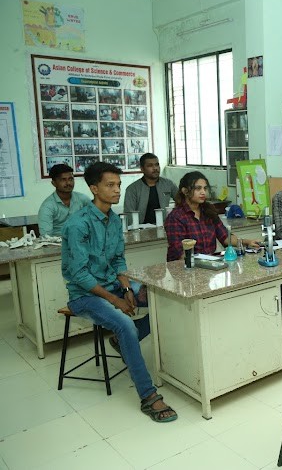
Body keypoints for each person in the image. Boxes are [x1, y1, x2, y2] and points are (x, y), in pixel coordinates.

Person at [61, 162, 178, 423]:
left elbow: (117, 260)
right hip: (84, 295)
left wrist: (126, 288)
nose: (117, 191)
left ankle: (125, 340)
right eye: (110, 185)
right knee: (125, 323)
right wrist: (115, 299)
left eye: (118, 185)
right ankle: (148, 396)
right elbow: (79, 275)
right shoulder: (77, 225)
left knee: (160, 297)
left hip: (113, 285)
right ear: (94, 188)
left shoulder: (114, 220)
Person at [164, 171, 259, 261]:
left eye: (205, 188)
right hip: (185, 267)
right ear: (185, 191)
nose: (203, 192)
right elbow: (179, 253)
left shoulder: (208, 211)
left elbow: (225, 237)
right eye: (198, 188)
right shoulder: (176, 217)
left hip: (209, 264)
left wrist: (247, 242)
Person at [124, 153, 178, 225]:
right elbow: (129, 214)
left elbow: (181, 200)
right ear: (142, 169)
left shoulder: (168, 184)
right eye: (150, 165)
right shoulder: (132, 189)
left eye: (157, 164)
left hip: (164, 225)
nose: (155, 168)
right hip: (141, 228)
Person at [38, 163, 90, 236]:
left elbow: (95, 221)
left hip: (81, 240)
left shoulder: (83, 199)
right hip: (57, 244)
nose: (68, 183)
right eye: (63, 180)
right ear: (54, 183)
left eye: (71, 179)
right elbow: (46, 236)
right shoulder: (47, 207)